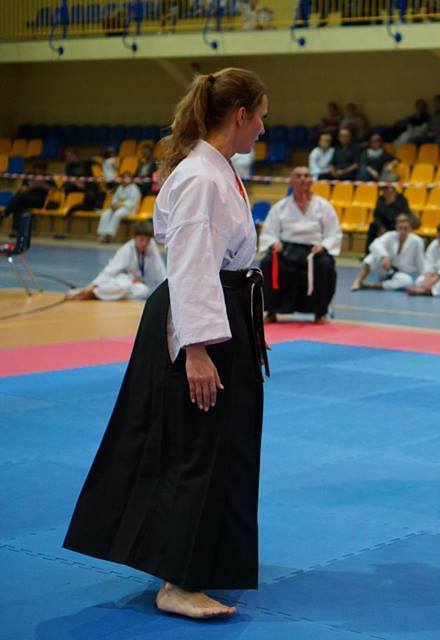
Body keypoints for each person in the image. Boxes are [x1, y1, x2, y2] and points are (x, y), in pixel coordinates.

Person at [63, 68, 269, 620]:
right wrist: (196, 350)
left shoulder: (215, 168)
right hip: (200, 317)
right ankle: (178, 581)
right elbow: (192, 266)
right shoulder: (201, 177)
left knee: (222, 442)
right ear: (240, 116)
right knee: (196, 445)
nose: (263, 129)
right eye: (260, 117)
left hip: (222, 310)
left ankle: (207, 558)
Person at [259, 166, 342, 324]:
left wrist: (324, 245)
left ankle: (319, 313)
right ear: (291, 181)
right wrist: (274, 243)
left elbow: (334, 233)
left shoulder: (323, 206)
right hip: (286, 250)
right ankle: (272, 311)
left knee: (325, 265)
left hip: (313, 251)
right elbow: (269, 231)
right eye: (298, 176)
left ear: (311, 181)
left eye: (306, 175)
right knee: (268, 262)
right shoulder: (280, 207)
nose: (303, 179)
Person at [67, 221, 166, 301]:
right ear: (134, 238)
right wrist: (92, 285)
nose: (144, 243)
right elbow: (110, 270)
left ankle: (96, 294)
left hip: (134, 284)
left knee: (143, 290)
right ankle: (88, 291)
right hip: (120, 279)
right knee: (124, 286)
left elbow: (159, 269)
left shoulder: (151, 246)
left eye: (147, 240)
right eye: (141, 239)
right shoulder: (126, 249)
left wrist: (167, 287)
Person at [352, 213, 424, 291]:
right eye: (400, 228)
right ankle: (357, 282)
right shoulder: (390, 236)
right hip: (385, 269)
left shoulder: (417, 241)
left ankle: (373, 286)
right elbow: (374, 244)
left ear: (410, 228)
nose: (403, 231)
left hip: (400, 274)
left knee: (407, 281)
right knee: (372, 257)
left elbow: (420, 262)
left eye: (406, 228)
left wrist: (425, 276)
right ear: (396, 227)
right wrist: (384, 256)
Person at [406, 222, 440, 297]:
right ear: (437, 236)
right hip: (434, 275)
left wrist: (432, 281)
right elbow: (428, 263)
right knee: (419, 281)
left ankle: (426, 291)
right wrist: (427, 279)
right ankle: (428, 289)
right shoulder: (434, 245)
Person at [365, 182, 414, 252]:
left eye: (389, 191)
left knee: (400, 226)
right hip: (383, 224)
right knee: (372, 226)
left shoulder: (402, 200)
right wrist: (381, 226)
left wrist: (391, 204)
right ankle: (369, 251)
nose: (387, 193)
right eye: (385, 191)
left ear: (394, 192)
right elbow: (376, 216)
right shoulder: (381, 200)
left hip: (396, 223)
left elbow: (402, 216)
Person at [96, 172, 143, 242]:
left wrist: (121, 205)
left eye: (127, 178)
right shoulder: (120, 188)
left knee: (117, 214)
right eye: (123, 178)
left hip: (129, 209)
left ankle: (109, 235)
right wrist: (113, 205)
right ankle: (102, 234)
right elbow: (115, 199)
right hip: (117, 208)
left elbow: (132, 203)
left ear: (130, 179)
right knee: (105, 214)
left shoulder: (134, 189)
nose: (124, 179)